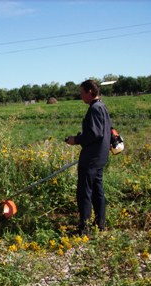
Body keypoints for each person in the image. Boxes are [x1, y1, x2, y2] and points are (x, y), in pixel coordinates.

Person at [65, 80, 112, 235]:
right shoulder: (102, 106)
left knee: (84, 192)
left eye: (82, 92)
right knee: (97, 190)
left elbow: (94, 134)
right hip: (100, 156)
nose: (81, 96)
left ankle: (84, 229)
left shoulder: (94, 109)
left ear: (90, 91)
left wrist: (76, 140)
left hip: (91, 158)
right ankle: (100, 224)